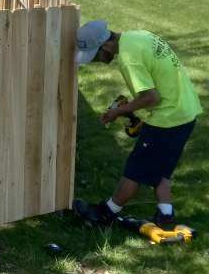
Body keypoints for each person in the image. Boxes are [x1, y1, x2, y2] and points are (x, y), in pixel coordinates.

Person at [75, 20, 201, 226]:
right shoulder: (137, 36)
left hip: (168, 118)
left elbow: (151, 98)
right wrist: (131, 111)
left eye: (95, 55)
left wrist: (118, 111)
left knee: (135, 168)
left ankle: (107, 213)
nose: (96, 61)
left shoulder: (127, 59)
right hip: (186, 110)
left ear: (105, 45)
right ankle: (165, 215)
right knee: (161, 167)